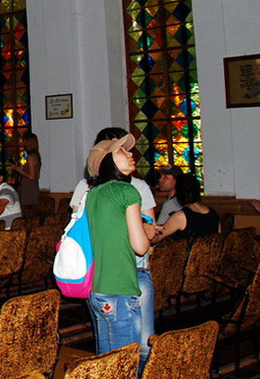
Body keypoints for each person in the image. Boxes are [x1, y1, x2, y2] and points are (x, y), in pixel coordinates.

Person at [72, 127, 157, 367]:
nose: (130, 154)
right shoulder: (127, 190)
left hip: (96, 287)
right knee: (123, 362)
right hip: (119, 285)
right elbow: (140, 247)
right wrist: (147, 230)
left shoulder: (94, 192)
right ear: (107, 159)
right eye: (122, 151)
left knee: (105, 360)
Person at [152, 173, 219, 243]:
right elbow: (218, 239)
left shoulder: (180, 216)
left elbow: (156, 238)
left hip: (187, 253)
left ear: (178, 193)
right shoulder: (213, 213)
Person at [10, 131, 41, 206]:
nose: (22, 143)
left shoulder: (31, 157)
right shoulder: (30, 155)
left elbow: (31, 176)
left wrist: (17, 169)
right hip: (26, 186)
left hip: (29, 188)